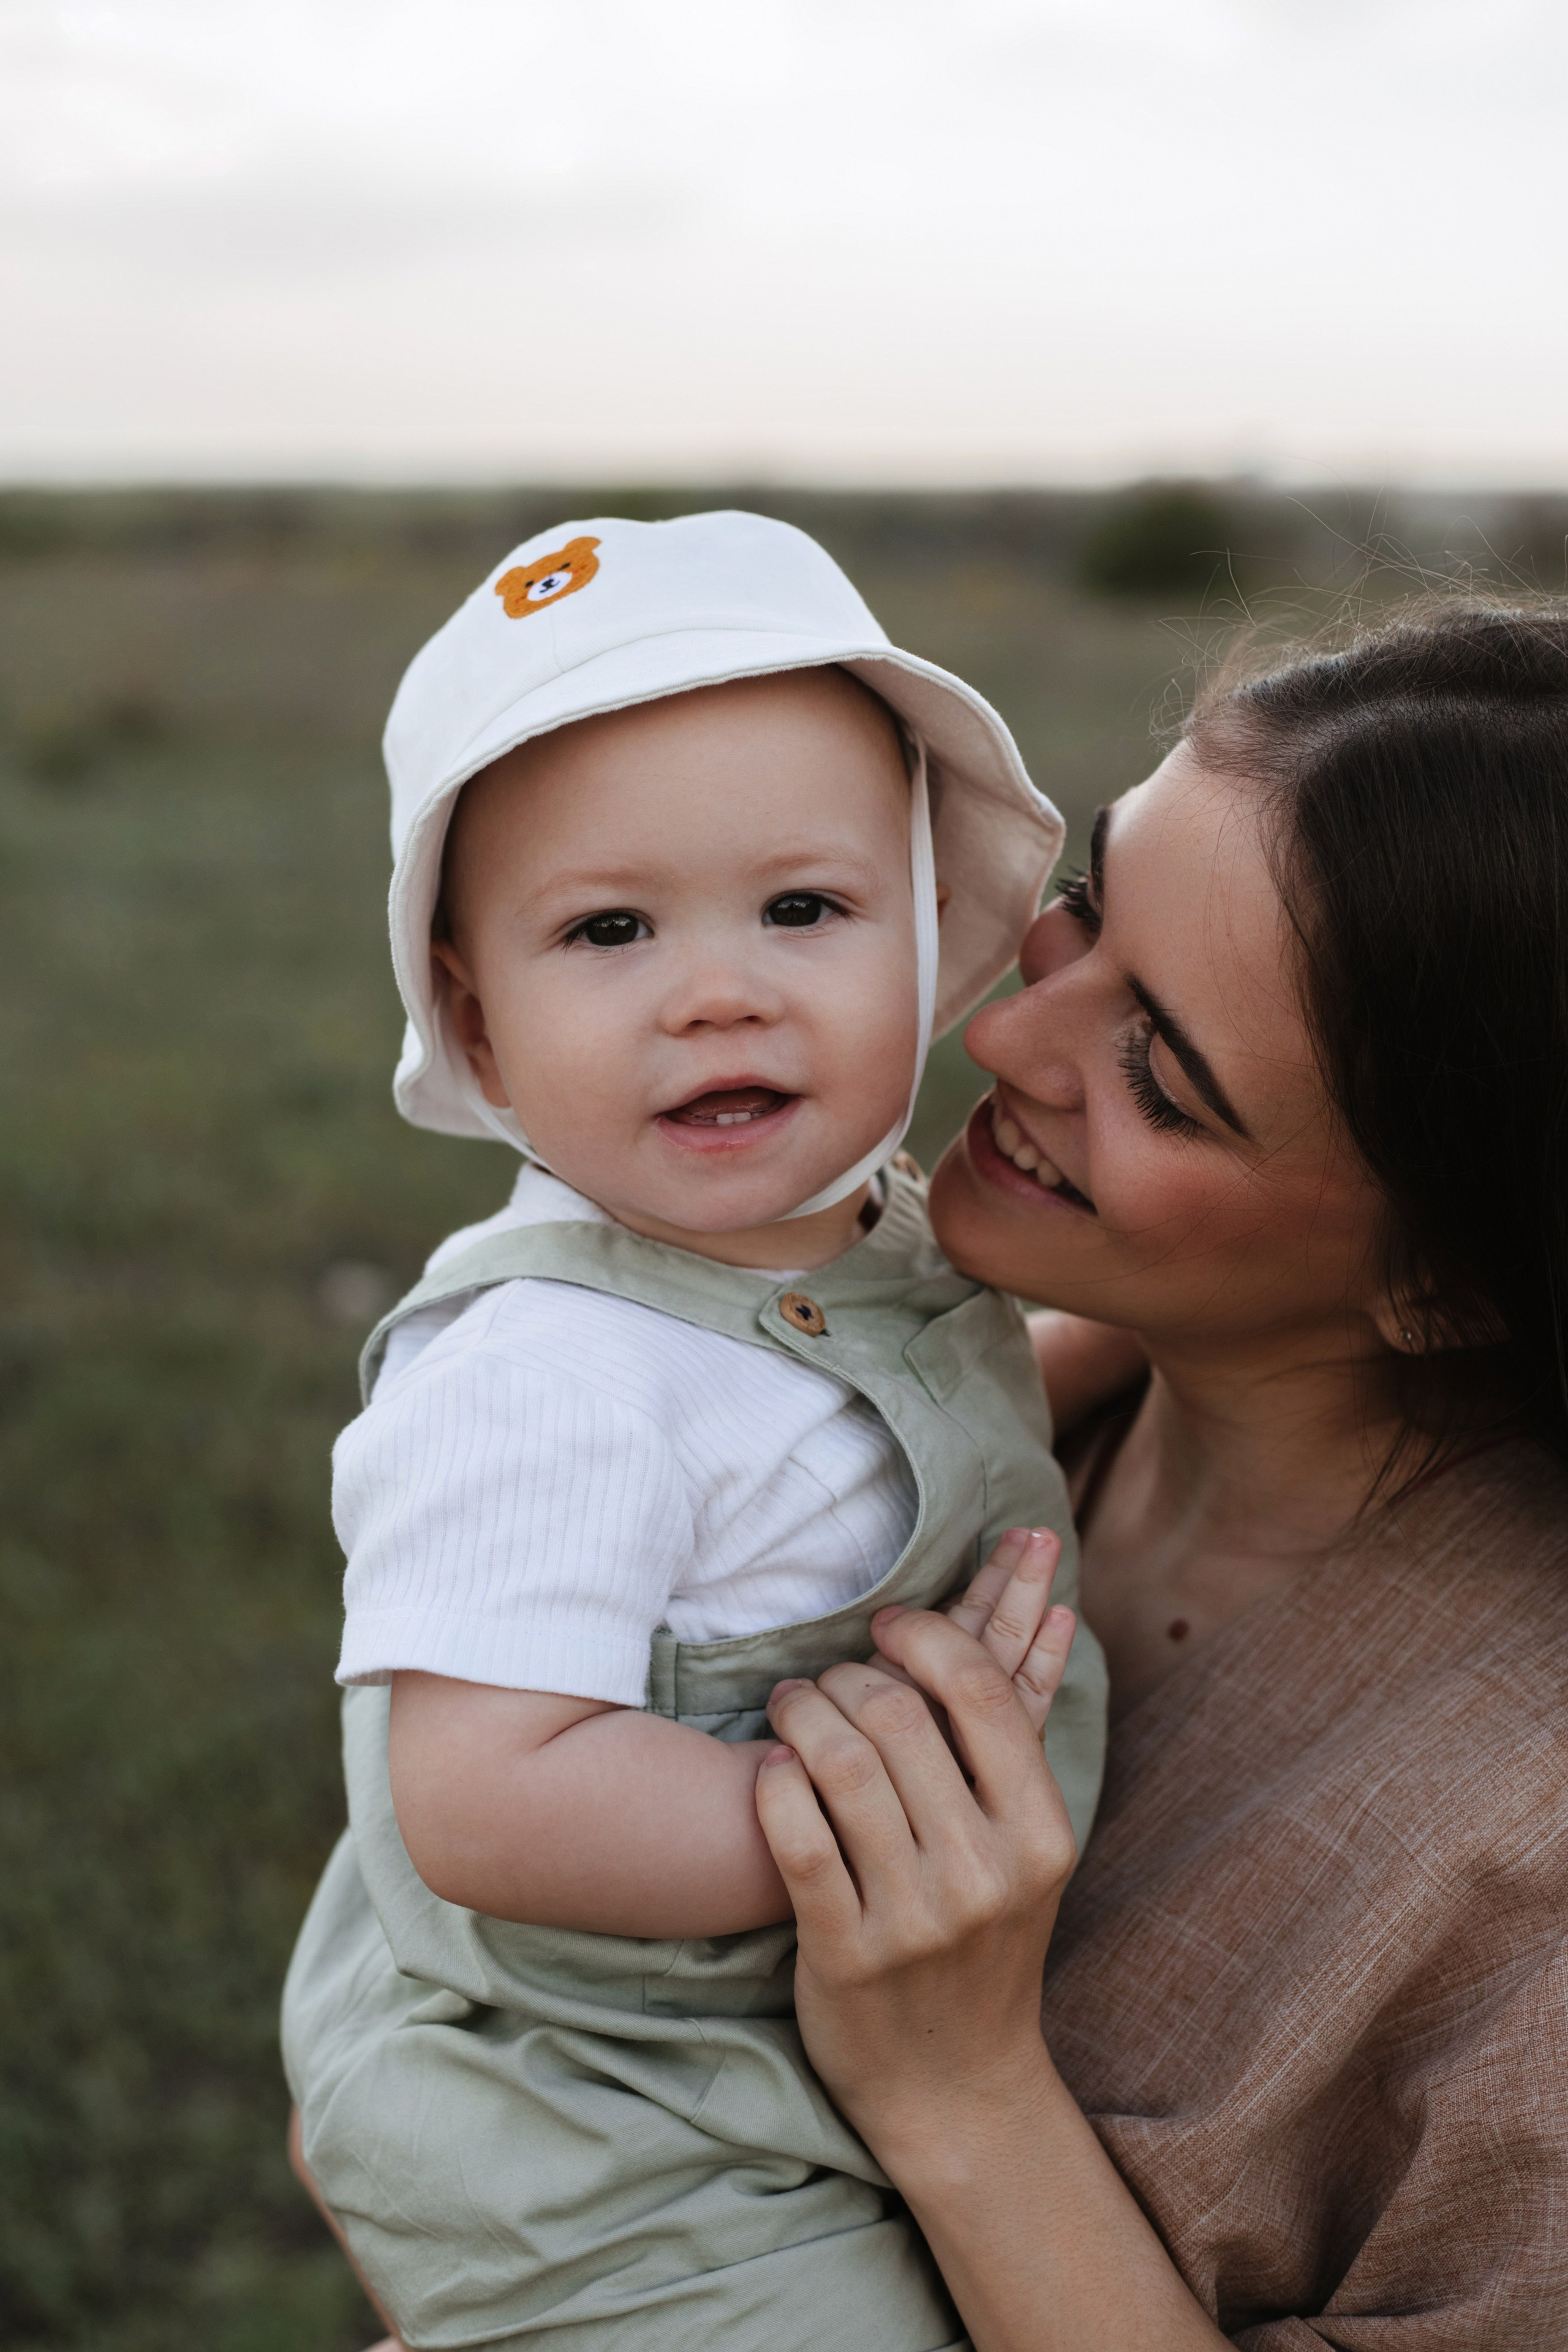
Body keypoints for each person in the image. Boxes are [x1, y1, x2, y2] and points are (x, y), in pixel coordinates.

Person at [281, 509, 1108, 2352]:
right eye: (610, 929)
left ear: (931, 940)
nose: (718, 987)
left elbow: (855, 1451)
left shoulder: (863, 1231)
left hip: (767, 2043)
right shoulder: (550, 1376)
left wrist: (1106, 1359)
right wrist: (862, 1842)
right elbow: (486, 1794)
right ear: (480, 1032)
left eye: (804, 909)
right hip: (613, 2132)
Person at [755, 598, 1568, 2348]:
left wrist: (963, 2094)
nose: (1004, 1044)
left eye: (1162, 1077)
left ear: (1450, 1279)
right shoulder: (935, 1419)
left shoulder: (1529, 1876)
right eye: (1082, 919)